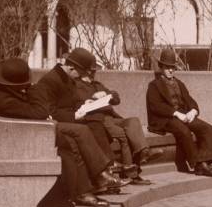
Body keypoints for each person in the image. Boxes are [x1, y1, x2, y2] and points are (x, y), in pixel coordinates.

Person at [0, 58, 129, 207]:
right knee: (80, 131)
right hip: (23, 132)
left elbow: (36, 110)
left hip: (36, 126)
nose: (26, 87)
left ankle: (89, 186)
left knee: (76, 138)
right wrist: (34, 89)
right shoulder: (3, 99)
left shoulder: (1, 89)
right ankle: (98, 178)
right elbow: (40, 112)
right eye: (23, 85)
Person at [32, 48, 137, 180]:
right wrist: (75, 115)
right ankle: (107, 167)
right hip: (58, 122)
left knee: (95, 120)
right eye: (81, 72)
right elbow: (49, 111)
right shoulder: (50, 80)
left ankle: (109, 165)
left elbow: (73, 102)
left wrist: (84, 104)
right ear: (71, 67)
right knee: (88, 126)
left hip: (72, 117)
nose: (81, 76)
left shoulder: (67, 78)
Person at [74, 54, 162, 186]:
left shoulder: (98, 84)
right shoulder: (77, 86)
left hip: (112, 117)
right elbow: (78, 104)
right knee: (122, 135)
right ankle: (131, 173)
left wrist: (107, 94)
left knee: (133, 122)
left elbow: (116, 98)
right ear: (84, 71)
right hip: (98, 119)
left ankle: (145, 152)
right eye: (91, 71)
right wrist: (92, 98)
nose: (93, 73)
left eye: (94, 71)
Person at [146, 49, 212, 178]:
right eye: (167, 67)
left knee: (207, 129)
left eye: (172, 67)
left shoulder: (179, 83)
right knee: (184, 131)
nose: (170, 70)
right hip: (165, 119)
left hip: (183, 115)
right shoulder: (154, 85)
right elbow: (156, 106)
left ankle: (204, 162)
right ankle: (197, 165)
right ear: (161, 67)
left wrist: (193, 110)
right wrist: (175, 113)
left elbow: (190, 100)